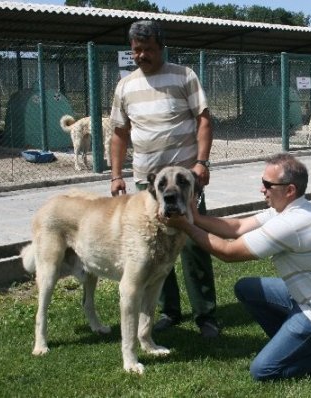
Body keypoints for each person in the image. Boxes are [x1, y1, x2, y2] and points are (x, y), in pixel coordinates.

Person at [164, 152, 311, 381]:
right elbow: (236, 227)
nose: (262, 189)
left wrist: (185, 226)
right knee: (247, 288)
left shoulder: (291, 223)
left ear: (289, 190)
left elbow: (228, 252)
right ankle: (293, 343)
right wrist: (194, 217)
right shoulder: (291, 208)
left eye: (268, 184)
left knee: (264, 371)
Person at [109, 20, 219, 338]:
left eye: (148, 49)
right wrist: (116, 175)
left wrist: (201, 163)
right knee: (156, 246)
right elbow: (118, 133)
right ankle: (170, 311)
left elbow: (203, 121)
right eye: (136, 50)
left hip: (185, 182)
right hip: (149, 185)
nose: (142, 55)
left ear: (162, 47)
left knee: (194, 244)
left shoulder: (184, 75)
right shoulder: (125, 86)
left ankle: (206, 314)